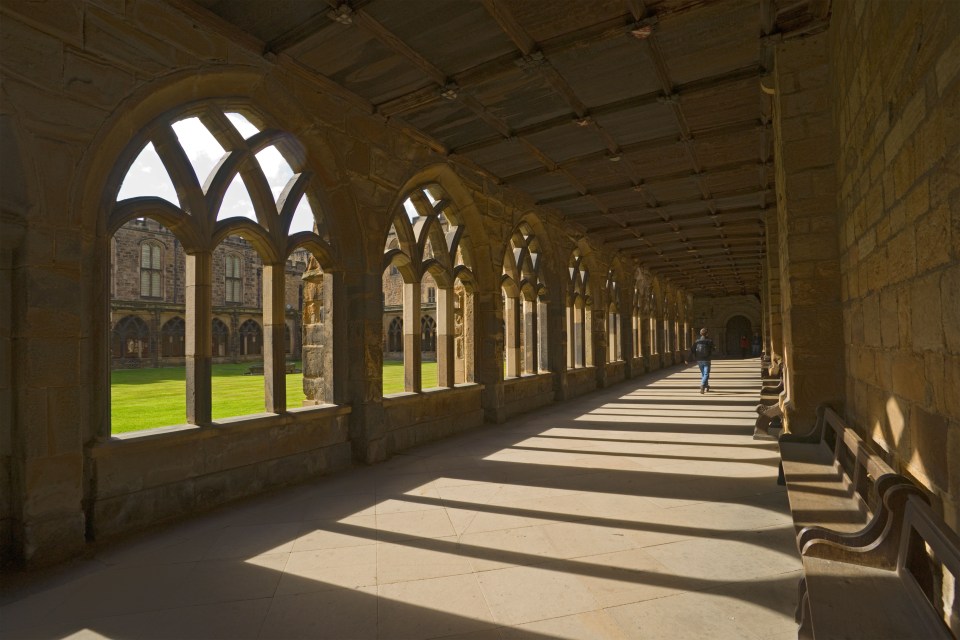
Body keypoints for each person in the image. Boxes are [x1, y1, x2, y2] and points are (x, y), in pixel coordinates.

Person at [691, 328, 714, 393]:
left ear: (700, 333)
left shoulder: (697, 341)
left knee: (703, 374)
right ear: (707, 334)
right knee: (706, 374)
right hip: (707, 359)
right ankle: (702, 385)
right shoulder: (709, 341)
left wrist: (688, 358)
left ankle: (706, 385)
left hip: (699, 359)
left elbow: (692, 350)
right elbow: (713, 349)